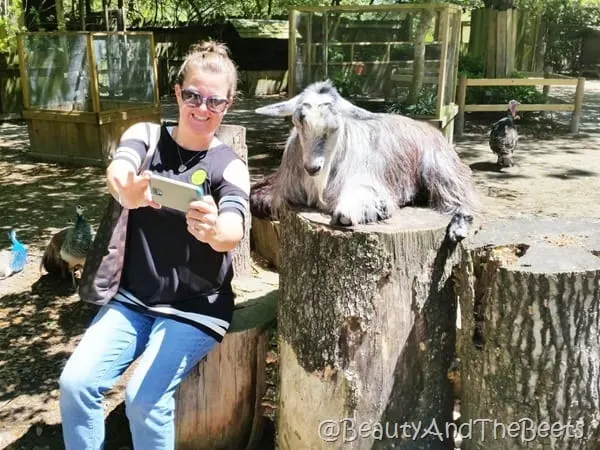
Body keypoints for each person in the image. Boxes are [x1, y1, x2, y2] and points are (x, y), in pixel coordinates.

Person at [58, 40, 250, 450]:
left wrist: (217, 232)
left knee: (143, 398)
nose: (202, 108)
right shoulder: (146, 134)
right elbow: (120, 167)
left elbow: (234, 224)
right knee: (76, 384)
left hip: (197, 307)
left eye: (215, 101)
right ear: (177, 93)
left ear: (228, 105)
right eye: (194, 96)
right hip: (133, 299)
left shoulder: (228, 164)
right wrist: (124, 191)